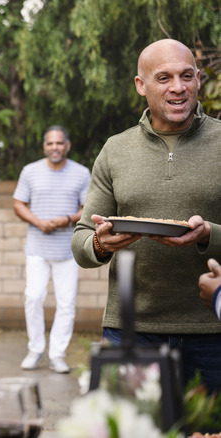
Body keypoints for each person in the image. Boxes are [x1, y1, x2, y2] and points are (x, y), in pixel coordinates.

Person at [71, 39, 221, 393]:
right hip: (131, 330)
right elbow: (80, 242)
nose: (178, 87)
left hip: (214, 331)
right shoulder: (116, 149)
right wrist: (100, 243)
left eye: (187, 76)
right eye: (164, 77)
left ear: (198, 79)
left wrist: (208, 235)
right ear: (141, 85)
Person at [13, 126, 90, 374]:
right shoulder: (30, 171)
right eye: (50, 143)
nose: (54, 147)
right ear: (44, 146)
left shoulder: (81, 173)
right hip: (37, 247)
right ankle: (35, 350)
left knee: (66, 303)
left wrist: (66, 219)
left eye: (59, 143)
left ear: (67, 145)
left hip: (68, 249)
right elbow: (18, 203)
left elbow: (87, 207)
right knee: (33, 297)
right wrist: (38, 222)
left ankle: (57, 354)